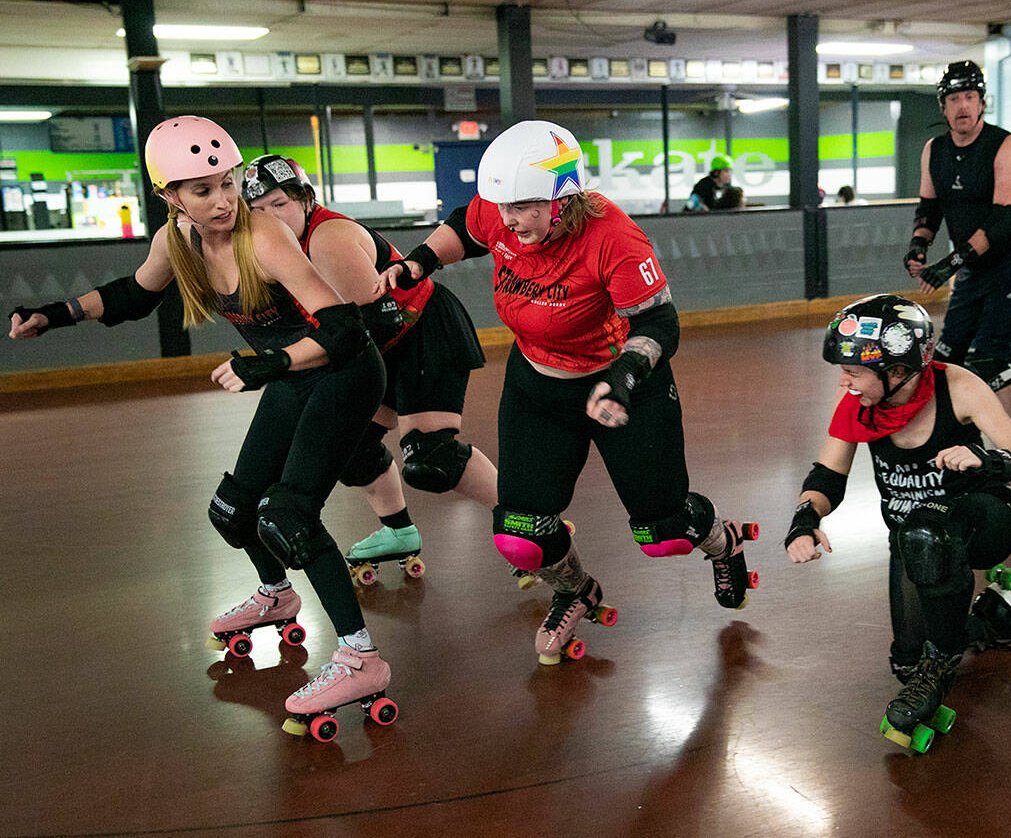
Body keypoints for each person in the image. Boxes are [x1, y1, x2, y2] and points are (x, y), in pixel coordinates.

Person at [9, 116, 396, 740]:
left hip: (345, 376)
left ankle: (361, 658)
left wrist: (270, 362)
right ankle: (277, 595)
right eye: (201, 190)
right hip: (292, 376)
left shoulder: (264, 234)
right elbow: (134, 294)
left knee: (289, 516)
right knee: (234, 510)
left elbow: (347, 333)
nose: (221, 202)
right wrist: (52, 314)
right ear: (170, 196)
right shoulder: (179, 240)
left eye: (227, 184)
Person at [384, 120, 756, 664]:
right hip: (538, 386)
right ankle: (574, 589)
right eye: (505, 207)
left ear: (564, 196)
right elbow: (466, 225)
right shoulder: (503, 214)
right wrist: (418, 261)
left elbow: (660, 324)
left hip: (623, 385)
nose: (510, 221)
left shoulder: (613, 236)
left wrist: (626, 377)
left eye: (525, 207)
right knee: (520, 535)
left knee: (664, 532)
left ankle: (722, 541)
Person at [783, 294, 1011, 751]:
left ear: (896, 371)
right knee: (908, 664)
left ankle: (945, 659)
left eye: (854, 371)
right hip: (914, 540)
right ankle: (991, 617)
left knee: (927, 536)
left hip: (985, 523)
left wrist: (989, 460)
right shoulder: (858, 401)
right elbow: (827, 476)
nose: (843, 381)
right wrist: (804, 519)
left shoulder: (959, 387)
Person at [241, 154, 495, 581]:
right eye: (259, 211)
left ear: (305, 200)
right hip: (381, 348)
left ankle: (526, 520)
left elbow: (376, 324)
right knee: (351, 451)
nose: (272, 219)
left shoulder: (327, 238)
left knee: (432, 458)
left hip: (421, 334)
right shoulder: (277, 246)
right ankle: (399, 532)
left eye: (279, 204)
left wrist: (309, 373)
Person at [903, 60, 1011, 427]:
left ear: (982, 102)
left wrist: (948, 265)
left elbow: (1000, 224)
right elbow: (929, 209)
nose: (963, 106)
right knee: (948, 360)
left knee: (991, 365)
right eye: (954, 98)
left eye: (970, 97)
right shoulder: (934, 150)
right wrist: (918, 247)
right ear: (943, 106)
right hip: (973, 267)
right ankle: (959, 447)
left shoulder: (1005, 146)